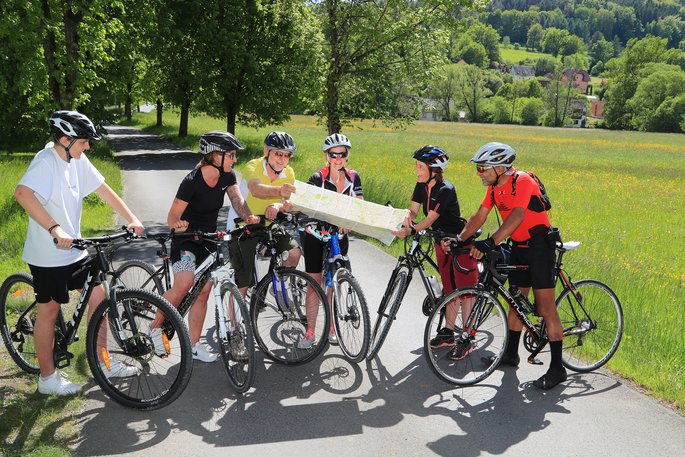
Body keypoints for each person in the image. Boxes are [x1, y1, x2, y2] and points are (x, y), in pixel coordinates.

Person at [14, 110, 145, 396]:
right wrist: (55, 229)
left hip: (75, 250)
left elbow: (104, 190)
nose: (88, 146)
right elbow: (22, 193)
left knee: (100, 303)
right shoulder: (45, 162)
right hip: (47, 254)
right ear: (64, 139)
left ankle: (103, 362)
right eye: (84, 141)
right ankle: (47, 379)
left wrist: (132, 218)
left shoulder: (77, 159)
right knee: (48, 311)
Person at [457, 142, 567, 389]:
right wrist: (459, 238)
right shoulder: (495, 189)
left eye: (483, 168)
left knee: (545, 307)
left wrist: (491, 242)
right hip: (519, 248)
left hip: (540, 248)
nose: (479, 173)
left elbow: (517, 215)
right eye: (478, 168)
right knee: (515, 300)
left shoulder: (522, 180)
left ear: (499, 167)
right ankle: (510, 354)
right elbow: (479, 215)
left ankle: (558, 368)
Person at [149, 131, 258, 363]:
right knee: (185, 283)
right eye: (231, 155)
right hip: (186, 239)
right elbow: (172, 216)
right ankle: (154, 328)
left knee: (203, 292)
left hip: (208, 239)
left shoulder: (228, 177)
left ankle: (194, 345)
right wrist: (176, 224)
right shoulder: (191, 182)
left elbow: (237, 201)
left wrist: (248, 216)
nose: (234, 160)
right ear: (214, 156)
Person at [391, 145, 478, 360]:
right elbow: (414, 209)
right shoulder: (421, 185)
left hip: (459, 242)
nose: (417, 170)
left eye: (420, 167)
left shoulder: (445, 189)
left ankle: (467, 338)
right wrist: (407, 217)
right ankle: (449, 332)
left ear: (434, 169)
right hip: (441, 241)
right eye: (417, 166)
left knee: (465, 291)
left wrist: (411, 230)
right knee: (449, 288)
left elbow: (430, 218)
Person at [299, 133, 363, 349]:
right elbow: (308, 204)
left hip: (339, 236)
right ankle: (310, 333)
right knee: (314, 283)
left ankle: (332, 328)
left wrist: (349, 219)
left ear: (347, 155)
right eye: (333, 155)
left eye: (342, 154)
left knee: (335, 284)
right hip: (316, 235)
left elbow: (358, 204)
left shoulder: (354, 177)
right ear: (327, 156)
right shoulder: (318, 177)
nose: (338, 159)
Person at [229, 131, 301, 295]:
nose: (282, 159)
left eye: (287, 155)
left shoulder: (288, 172)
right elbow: (255, 189)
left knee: (294, 253)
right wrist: (280, 192)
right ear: (266, 152)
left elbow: (289, 202)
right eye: (278, 154)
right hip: (242, 223)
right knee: (243, 283)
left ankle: (277, 287)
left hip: (269, 223)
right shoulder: (253, 165)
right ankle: (234, 321)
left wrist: (278, 205)